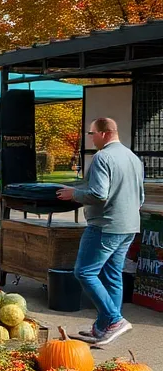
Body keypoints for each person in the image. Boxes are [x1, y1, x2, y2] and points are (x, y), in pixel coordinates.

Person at [58, 117, 145, 346]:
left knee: (85, 272)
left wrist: (72, 194)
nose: (91, 137)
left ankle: (115, 320)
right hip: (129, 226)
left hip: (105, 225)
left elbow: (98, 193)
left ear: (104, 133)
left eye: (91, 133)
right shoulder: (133, 158)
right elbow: (141, 196)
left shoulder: (102, 157)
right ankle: (102, 328)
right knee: (112, 274)